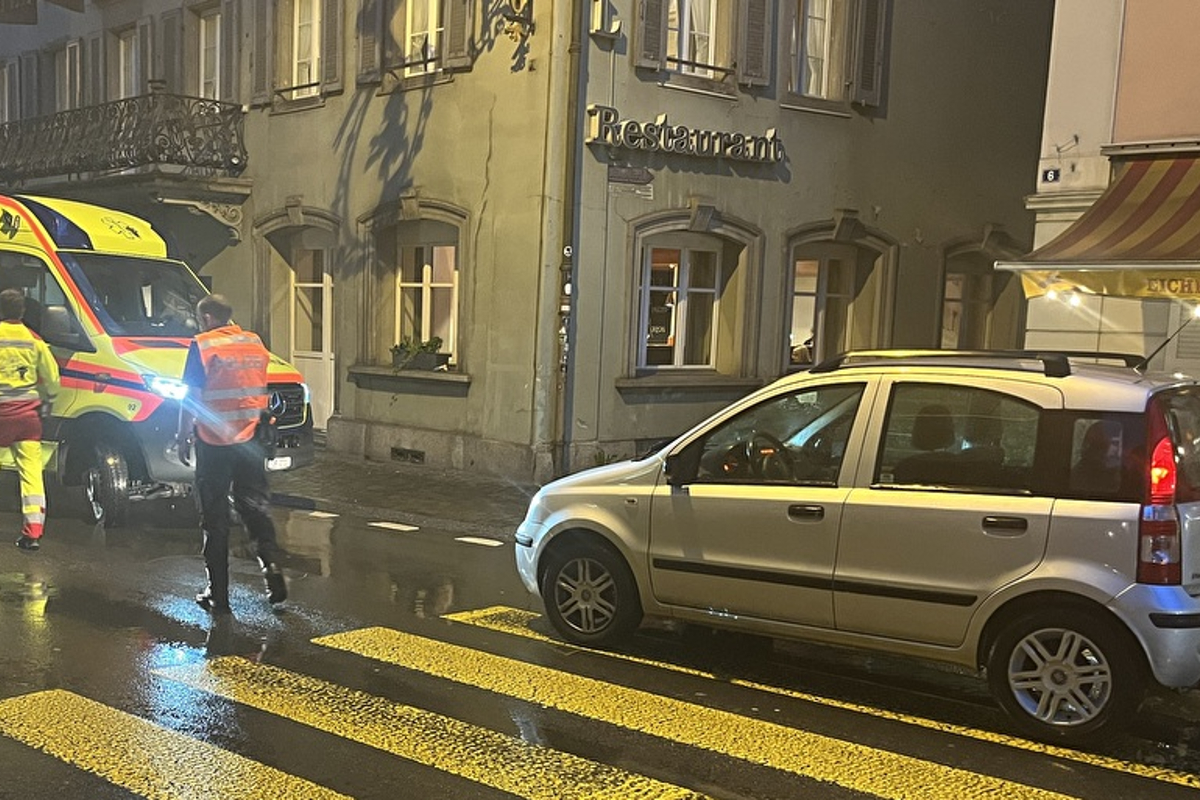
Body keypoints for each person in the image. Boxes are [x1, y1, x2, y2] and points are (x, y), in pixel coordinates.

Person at [176, 294, 287, 613]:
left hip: (214, 442)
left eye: (201, 320)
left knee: (215, 519)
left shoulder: (203, 346)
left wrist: (182, 435)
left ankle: (218, 594)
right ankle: (271, 565)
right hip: (251, 439)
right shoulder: (254, 342)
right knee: (254, 508)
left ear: (207, 318)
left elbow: (191, 397)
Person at [0, 289, 59, 551]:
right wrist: (49, 398)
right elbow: (52, 378)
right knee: (32, 476)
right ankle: (33, 534)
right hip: (27, 419)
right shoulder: (34, 340)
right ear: (22, 311)